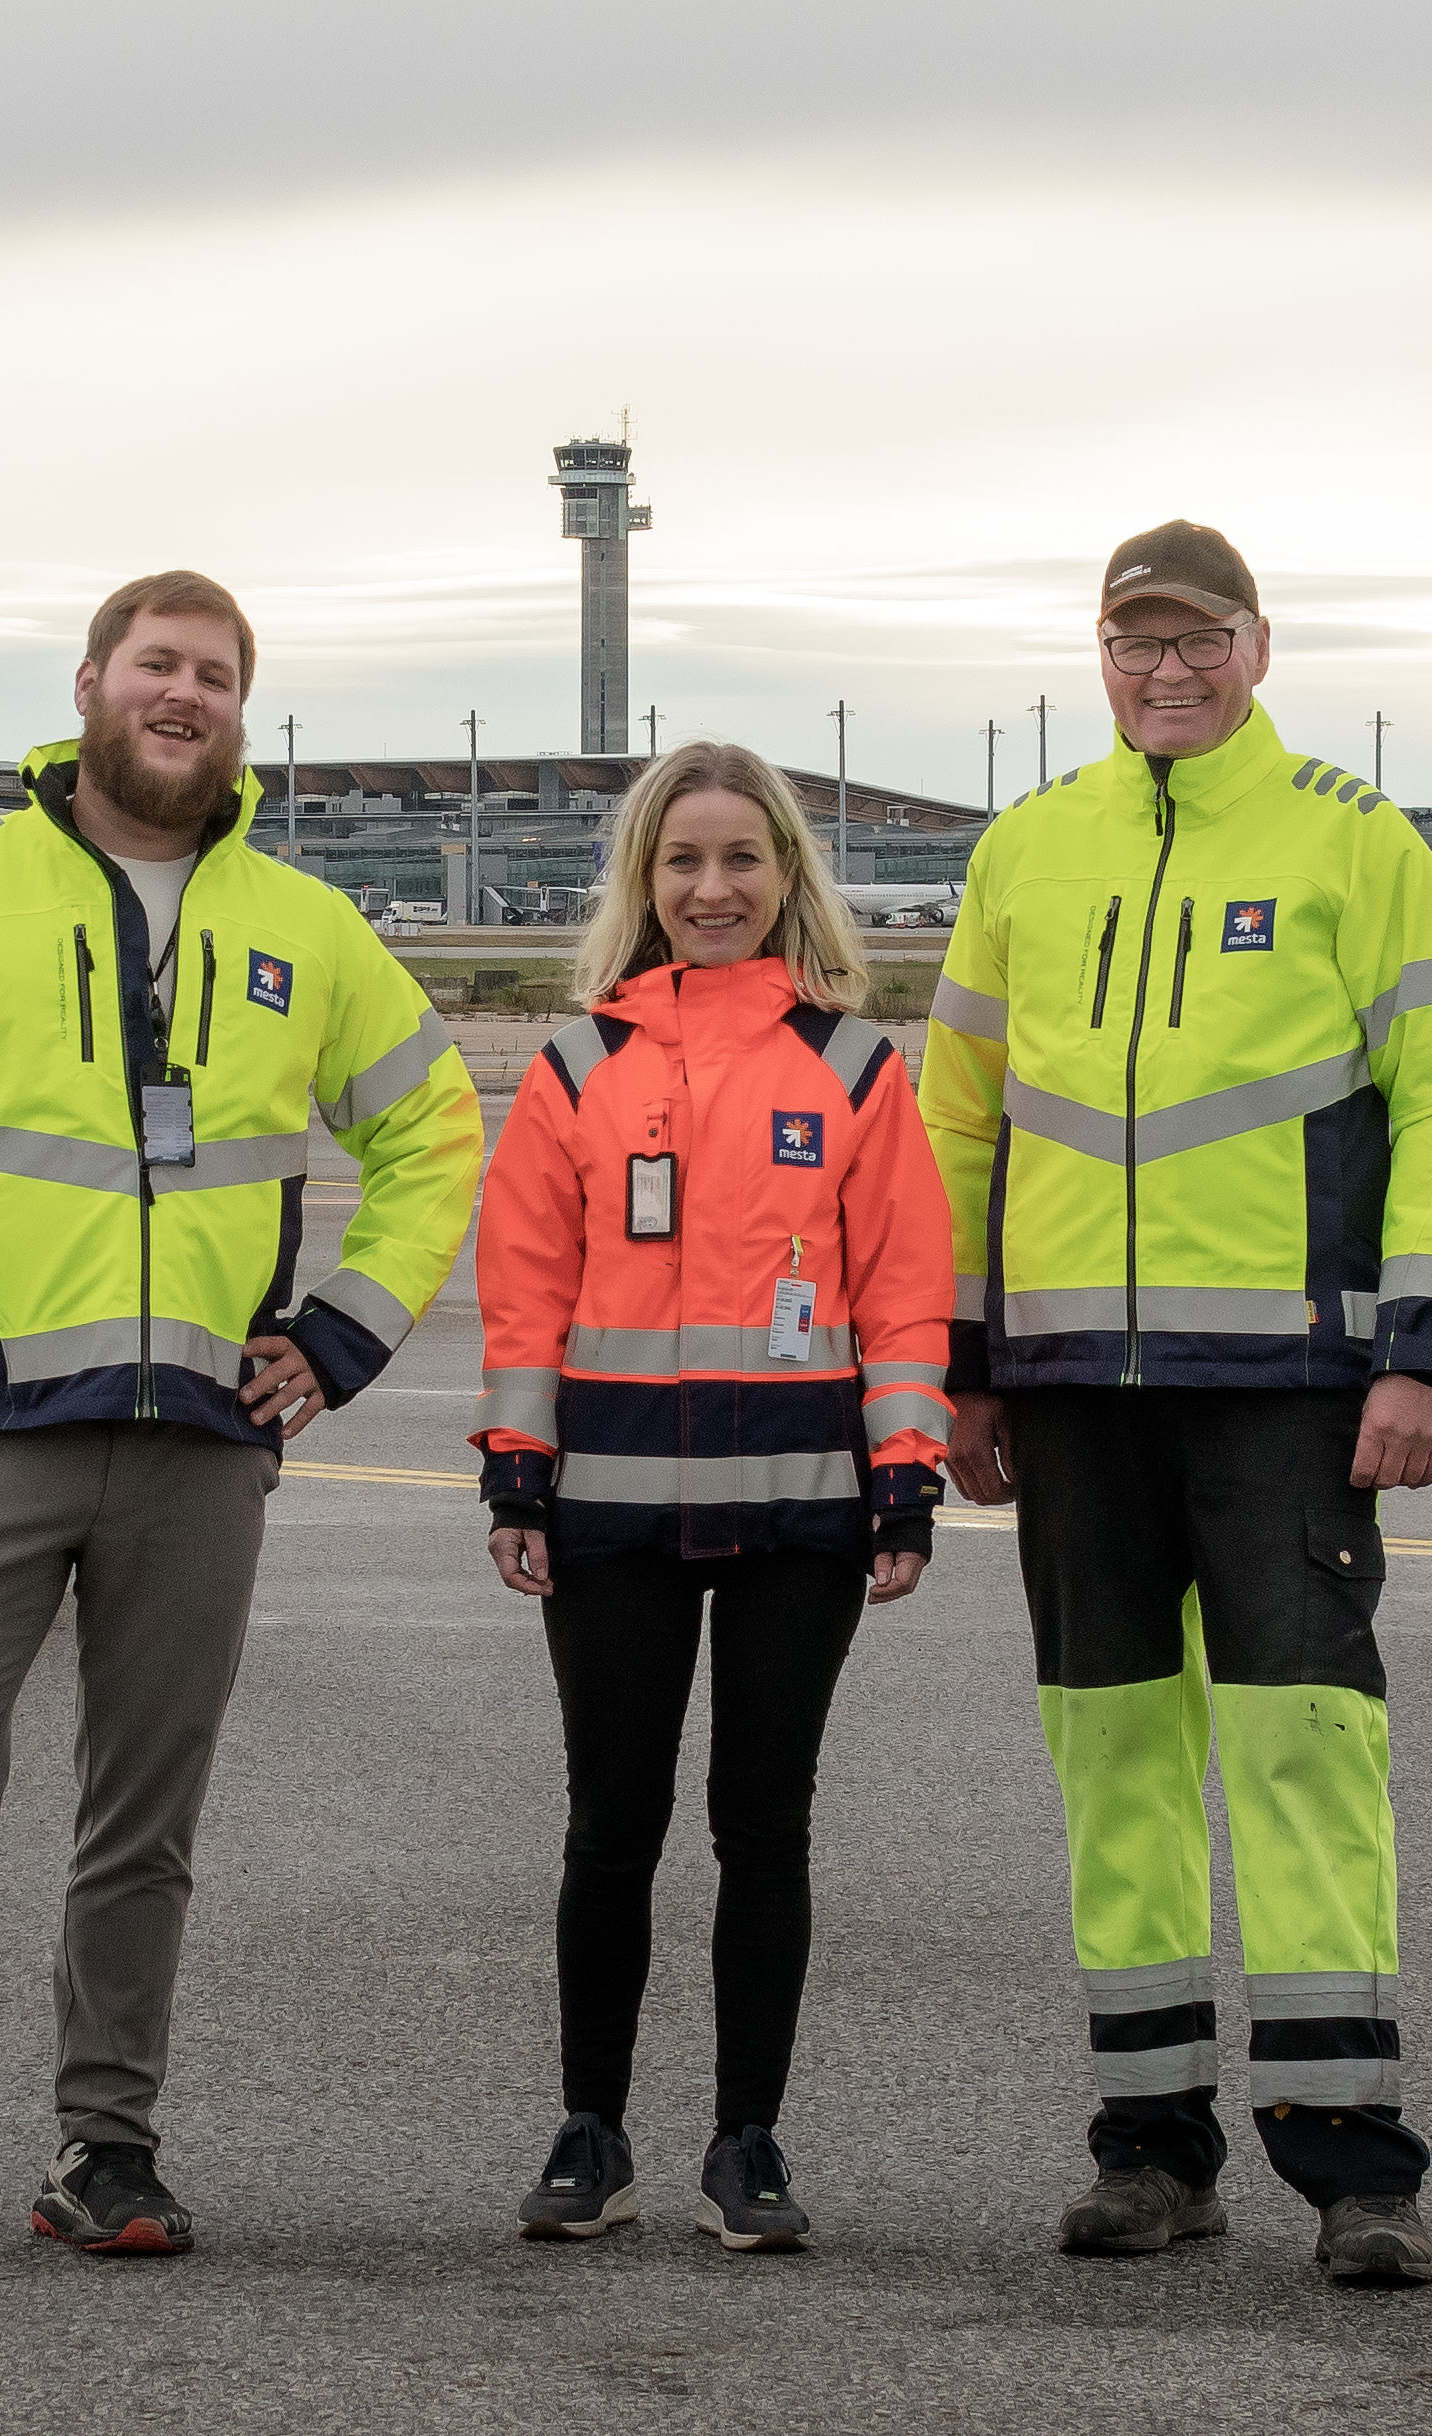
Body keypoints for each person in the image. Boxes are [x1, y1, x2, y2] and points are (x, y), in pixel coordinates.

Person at [0, 571, 481, 2272]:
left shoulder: (303, 926)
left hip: (202, 1448)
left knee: (146, 1825)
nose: (184, 692)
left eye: (215, 673)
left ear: (238, 711)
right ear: (89, 685)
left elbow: (434, 1126)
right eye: (158, 663)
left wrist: (342, 1337)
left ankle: (107, 2150)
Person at [927, 519, 1432, 2290]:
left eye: (1198, 639)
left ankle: (1355, 2167)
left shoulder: (1352, 837)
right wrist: (964, 1360)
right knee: (1114, 1764)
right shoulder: (1027, 850)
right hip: (1077, 1390)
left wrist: (1422, 1350)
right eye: (1134, 641)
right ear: (1098, 657)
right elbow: (959, 1118)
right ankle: (1148, 2152)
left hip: (1292, 1395)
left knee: (1306, 1756)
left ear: (1259, 646)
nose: (1165, 670)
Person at [465, 743, 952, 2256]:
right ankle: (590, 2130)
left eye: (743, 860)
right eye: (684, 863)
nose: (713, 888)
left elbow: (905, 1294)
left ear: (788, 881)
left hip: (802, 1514)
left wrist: (904, 1481)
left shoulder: (858, 1069)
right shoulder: (571, 1073)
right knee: (610, 1827)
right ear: (644, 885)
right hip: (609, 1513)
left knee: (765, 1825)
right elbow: (525, 1292)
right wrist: (517, 1475)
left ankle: (748, 2139)